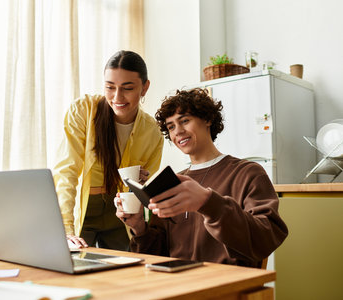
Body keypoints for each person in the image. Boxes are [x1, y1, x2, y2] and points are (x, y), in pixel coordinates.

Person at [115, 88, 288, 267]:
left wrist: (208, 202)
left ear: (207, 119)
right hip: (178, 283)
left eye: (185, 120)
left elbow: (266, 238)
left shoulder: (247, 173)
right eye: (171, 126)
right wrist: (139, 227)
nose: (178, 131)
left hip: (226, 286)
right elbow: (157, 254)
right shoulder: (173, 181)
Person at [53, 50, 164, 251]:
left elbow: (144, 192)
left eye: (127, 88)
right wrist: (66, 229)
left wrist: (139, 185)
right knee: (76, 265)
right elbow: (66, 172)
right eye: (110, 87)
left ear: (145, 87)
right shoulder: (83, 110)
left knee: (126, 270)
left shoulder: (152, 132)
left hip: (119, 212)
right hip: (84, 206)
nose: (117, 97)